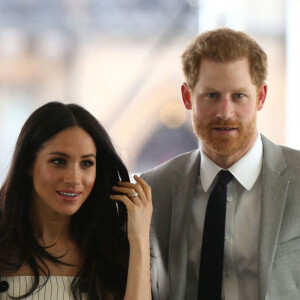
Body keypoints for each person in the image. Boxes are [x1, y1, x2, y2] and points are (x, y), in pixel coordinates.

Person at [141, 28, 300, 300]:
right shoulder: (153, 190)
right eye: (211, 96)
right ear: (187, 97)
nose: (225, 113)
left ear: (260, 96)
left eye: (239, 96)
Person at [0, 101, 152, 300]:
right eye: (59, 161)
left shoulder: (109, 254)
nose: (73, 178)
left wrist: (139, 239)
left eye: (86, 163)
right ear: (29, 163)